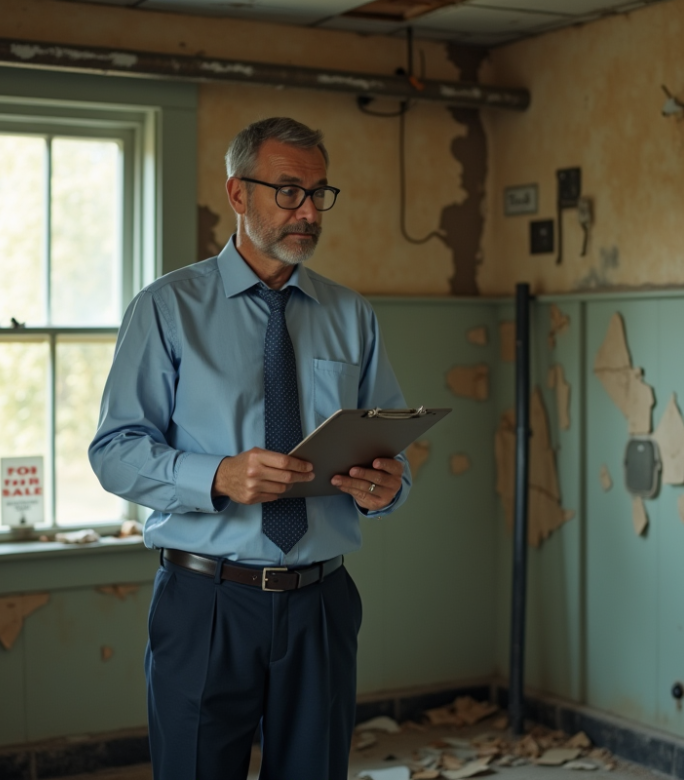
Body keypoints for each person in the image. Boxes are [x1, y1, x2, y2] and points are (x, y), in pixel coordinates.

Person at [88, 116, 413, 780]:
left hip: (322, 603)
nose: (309, 212)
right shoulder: (166, 308)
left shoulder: (353, 315)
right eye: (289, 192)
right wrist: (219, 476)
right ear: (239, 195)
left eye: (320, 194)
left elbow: (389, 447)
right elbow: (115, 451)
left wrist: (390, 488)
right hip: (207, 601)